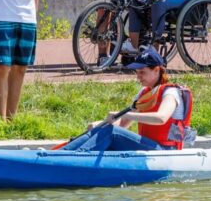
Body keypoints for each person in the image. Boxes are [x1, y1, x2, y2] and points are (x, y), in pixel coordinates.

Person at [61, 49, 194, 151]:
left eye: (142, 72)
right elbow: (124, 124)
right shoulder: (144, 93)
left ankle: (75, 157)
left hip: (165, 150)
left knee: (111, 132)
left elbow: (161, 118)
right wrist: (99, 126)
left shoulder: (171, 93)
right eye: (137, 73)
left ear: (157, 70)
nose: (138, 77)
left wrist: (125, 114)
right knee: (102, 129)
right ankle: (62, 154)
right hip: (148, 147)